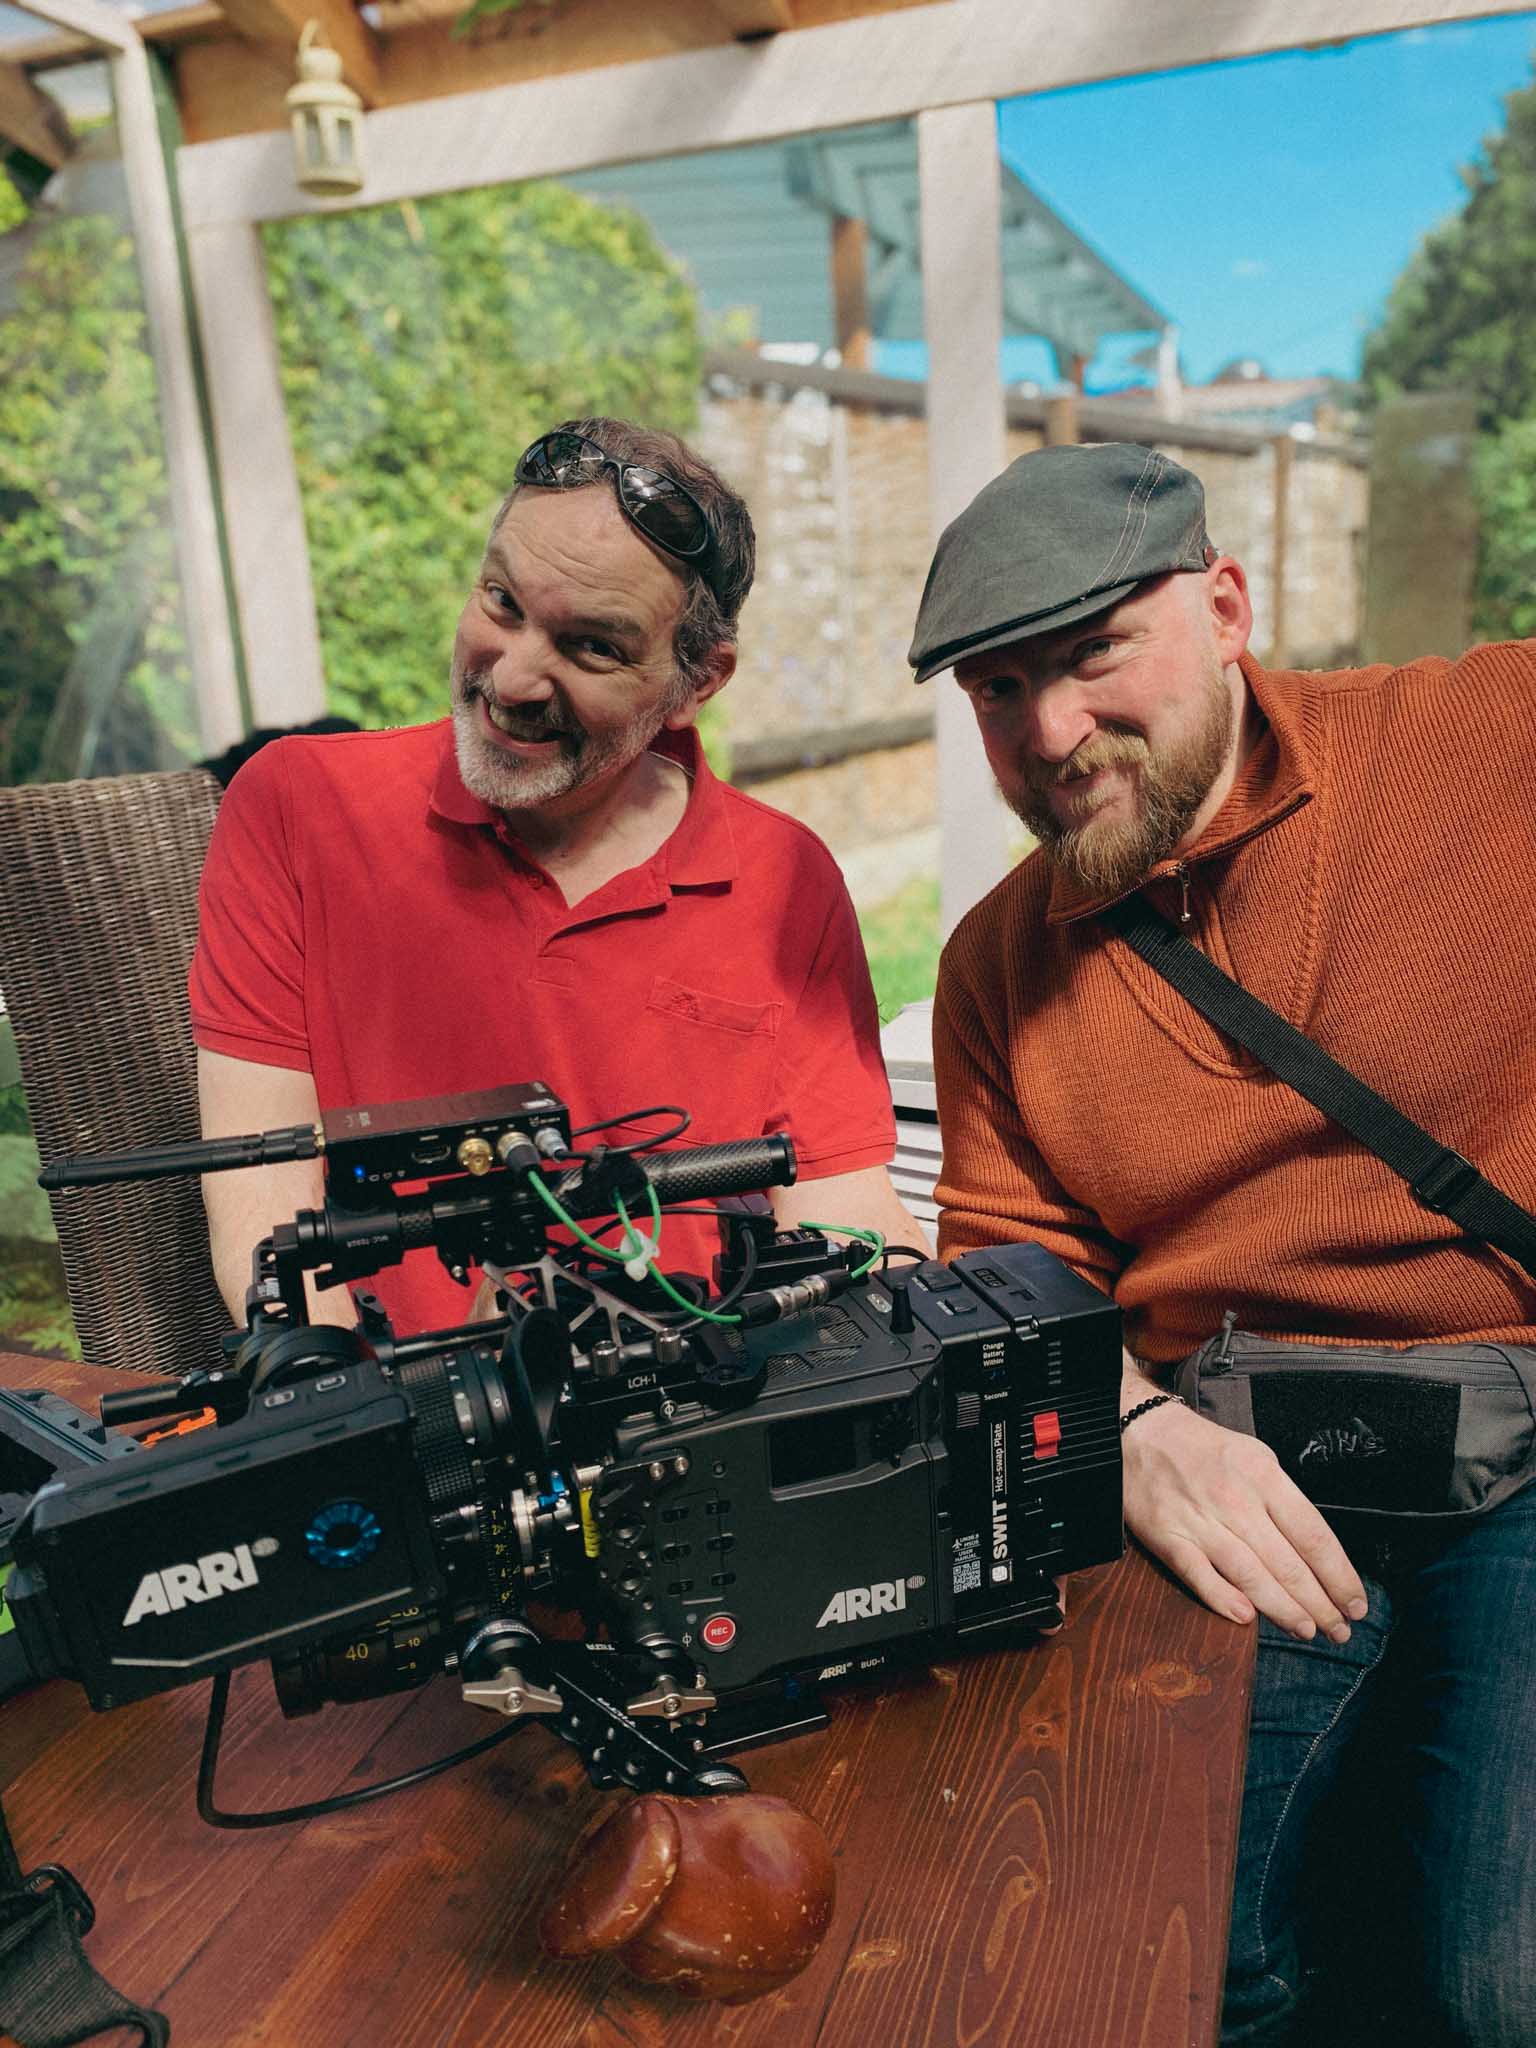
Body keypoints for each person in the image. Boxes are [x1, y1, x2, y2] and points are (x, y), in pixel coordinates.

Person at [908, 440, 1536, 2046]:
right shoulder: (994, 968)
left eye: (1094, 654)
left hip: (1522, 1424)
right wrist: (1125, 1431)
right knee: (1166, 1958)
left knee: (1494, 1984)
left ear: (1229, 607)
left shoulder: (1483, 739)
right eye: (997, 689)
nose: (1050, 734)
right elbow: (1000, 1279)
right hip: (1226, 1450)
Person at [190, 418, 923, 1337]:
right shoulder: (298, 807)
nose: (516, 679)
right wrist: (356, 1421)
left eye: (592, 648)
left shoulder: (785, 878)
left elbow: (841, 1208)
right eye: (502, 602)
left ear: (697, 684)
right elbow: (266, 1213)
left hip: (694, 1403)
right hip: (404, 1409)